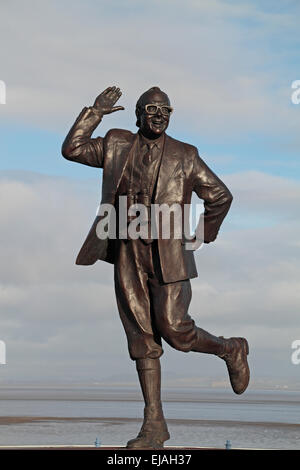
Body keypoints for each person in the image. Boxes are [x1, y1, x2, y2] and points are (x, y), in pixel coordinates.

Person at [62, 85, 250, 449]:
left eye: (165, 110)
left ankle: (230, 348)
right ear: (138, 115)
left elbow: (220, 195)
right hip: (127, 250)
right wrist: (94, 112)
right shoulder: (117, 143)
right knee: (141, 339)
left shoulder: (185, 155)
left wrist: (202, 234)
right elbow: (73, 149)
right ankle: (154, 426)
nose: (159, 115)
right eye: (151, 109)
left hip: (169, 254)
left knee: (176, 329)